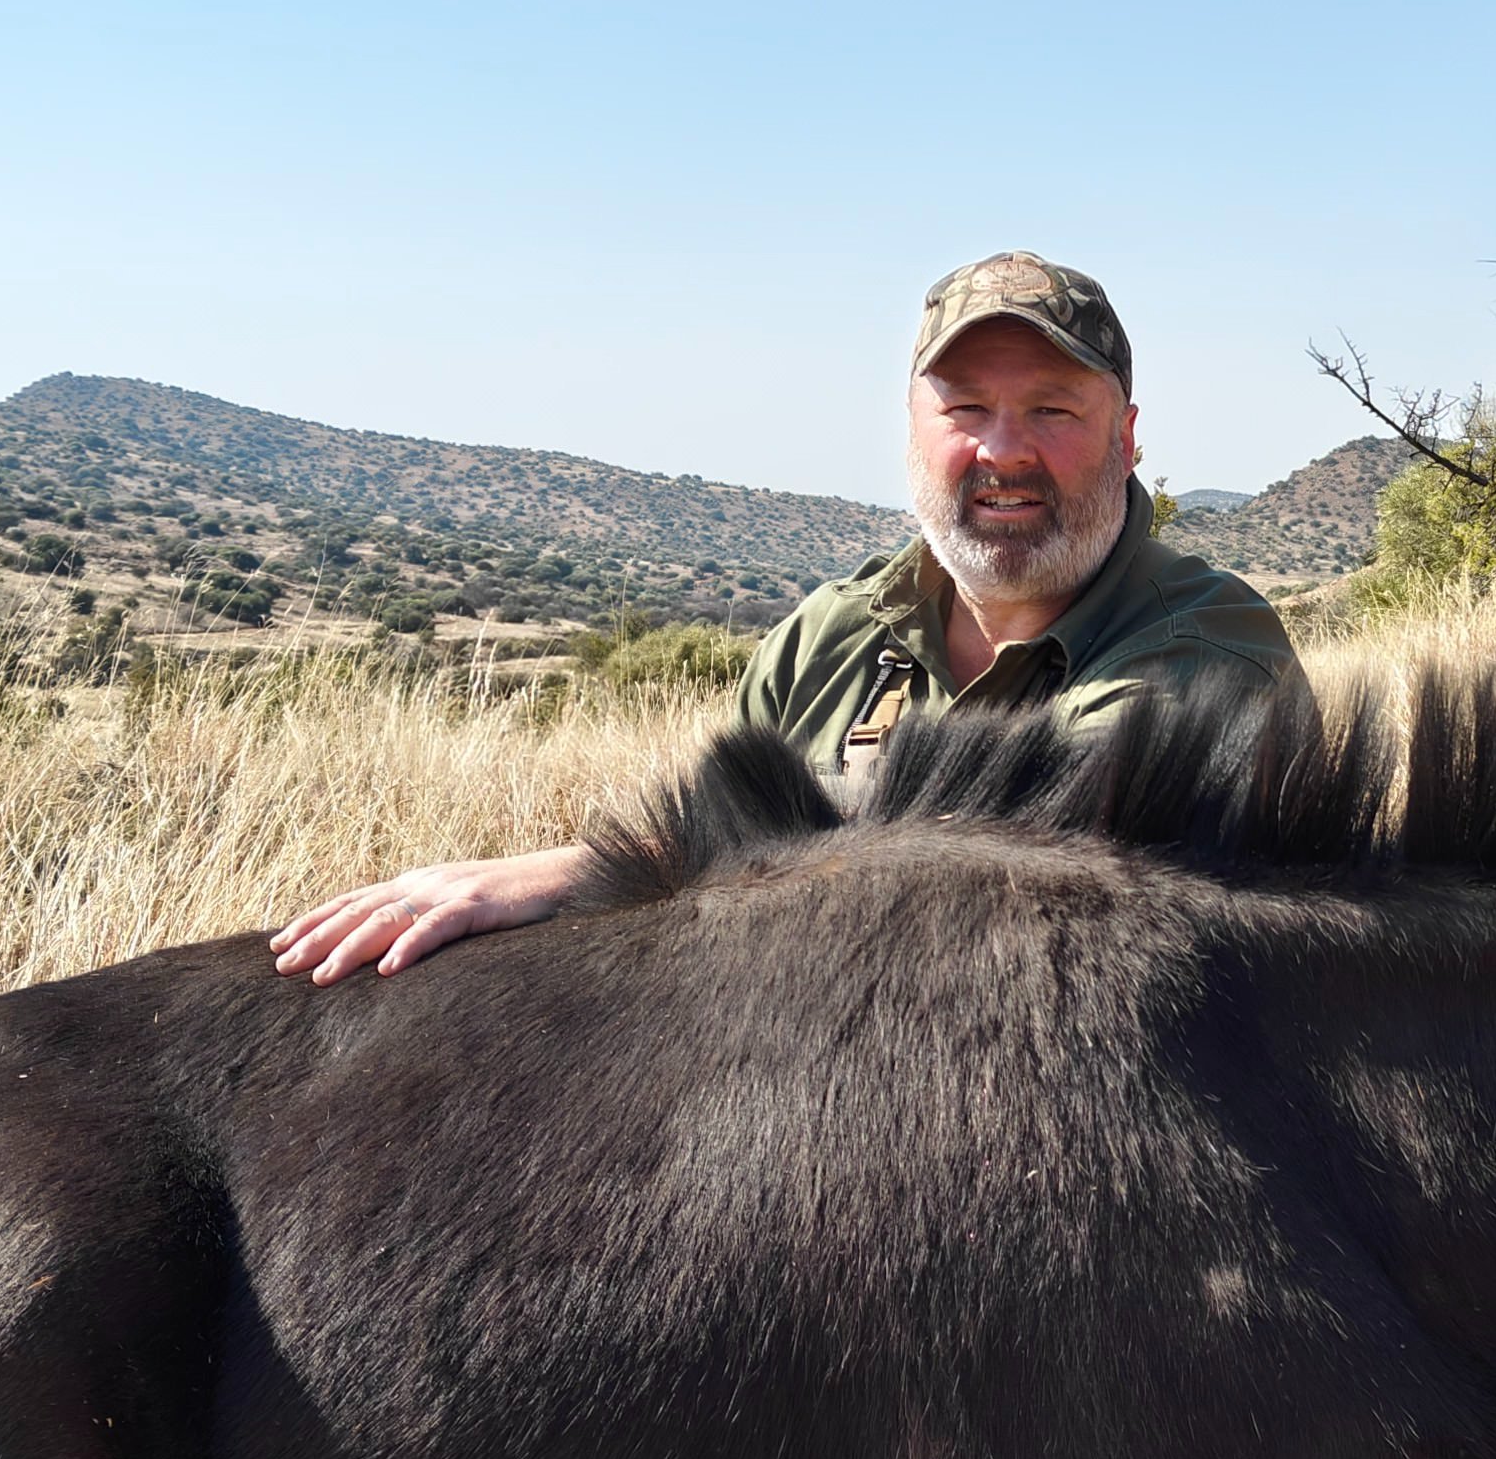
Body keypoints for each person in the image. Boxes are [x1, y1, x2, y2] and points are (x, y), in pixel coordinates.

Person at [275, 255, 1300, 984]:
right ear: (911, 436)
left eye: (1052, 410)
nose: (1002, 452)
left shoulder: (1209, 647)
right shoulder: (829, 636)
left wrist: (569, 873)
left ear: (1125, 440)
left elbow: (1016, 860)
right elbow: (709, 894)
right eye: (962, 409)